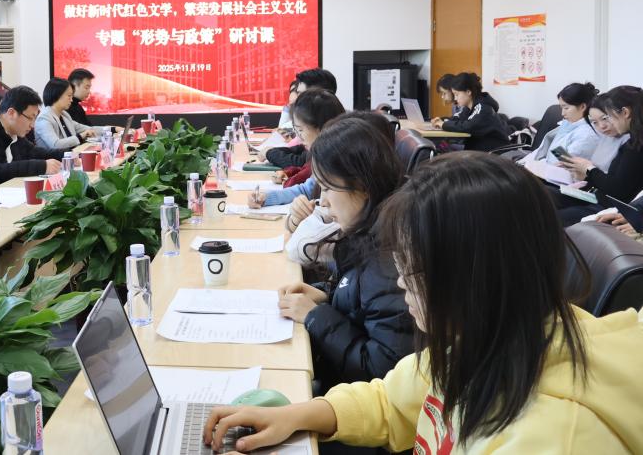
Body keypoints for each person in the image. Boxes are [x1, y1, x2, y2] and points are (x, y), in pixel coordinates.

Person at [203, 152, 643, 455]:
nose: (400, 284)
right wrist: (298, 414)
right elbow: (392, 400)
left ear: (477, 278)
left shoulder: (552, 437)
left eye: (413, 273)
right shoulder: (488, 336)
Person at [274, 115, 414, 395]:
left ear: (362, 186)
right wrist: (327, 298)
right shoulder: (371, 233)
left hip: (352, 402)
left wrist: (316, 316)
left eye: (328, 188)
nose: (323, 201)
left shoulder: (389, 262)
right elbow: (366, 308)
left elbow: (381, 373)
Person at [557, 86, 643, 222]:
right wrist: (586, 174)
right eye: (595, 122)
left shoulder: (635, 146)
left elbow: (618, 190)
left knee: (550, 214)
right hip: (600, 198)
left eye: (608, 117)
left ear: (625, 113)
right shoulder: (631, 142)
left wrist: (589, 170)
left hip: (610, 206)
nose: (605, 125)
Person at [265, 69, 339, 169]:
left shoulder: (334, 131)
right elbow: (302, 152)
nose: (296, 98)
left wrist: (269, 153)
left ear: (317, 94)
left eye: (300, 93)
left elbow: (303, 162)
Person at [522, 82, 600, 164]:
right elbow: (554, 154)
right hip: (546, 166)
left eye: (566, 108)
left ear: (582, 107)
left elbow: (564, 165)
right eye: (561, 108)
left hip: (553, 170)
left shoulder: (587, 135)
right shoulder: (568, 125)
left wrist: (536, 165)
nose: (562, 113)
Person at [430, 72, 508, 151]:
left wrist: (443, 124)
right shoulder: (468, 108)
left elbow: (467, 126)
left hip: (494, 153)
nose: (455, 98)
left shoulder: (483, 108)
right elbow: (456, 118)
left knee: (441, 151)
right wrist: (441, 121)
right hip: (478, 151)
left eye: (457, 94)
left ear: (468, 92)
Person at [35, 78, 101, 151]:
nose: (71, 100)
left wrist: (110, 129)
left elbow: (88, 129)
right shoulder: (44, 118)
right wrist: (80, 136)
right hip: (53, 158)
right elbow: (55, 144)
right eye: (69, 96)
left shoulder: (64, 115)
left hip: (72, 156)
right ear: (57, 95)